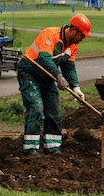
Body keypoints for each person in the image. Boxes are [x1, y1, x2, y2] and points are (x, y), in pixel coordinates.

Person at [16, 13, 91, 155]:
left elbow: (69, 68)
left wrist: (76, 88)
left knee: (54, 111)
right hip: (30, 71)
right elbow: (44, 59)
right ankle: (30, 150)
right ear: (73, 31)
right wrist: (58, 76)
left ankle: (52, 148)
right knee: (36, 108)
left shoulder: (73, 47)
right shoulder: (49, 34)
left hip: (48, 76)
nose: (82, 39)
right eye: (81, 35)